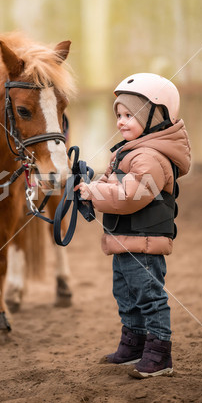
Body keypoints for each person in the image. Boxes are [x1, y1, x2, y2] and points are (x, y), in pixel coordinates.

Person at [75, 73, 191, 378]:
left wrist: (95, 192)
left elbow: (131, 196)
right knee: (126, 295)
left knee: (149, 297)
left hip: (145, 243)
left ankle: (159, 352)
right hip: (126, 240)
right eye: (119, 115)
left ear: (156, 118)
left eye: (129, 115)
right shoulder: (127, 153)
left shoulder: (150, 157)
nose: (121, 122)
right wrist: (87, 188)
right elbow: (109, 185)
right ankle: (134, 342)